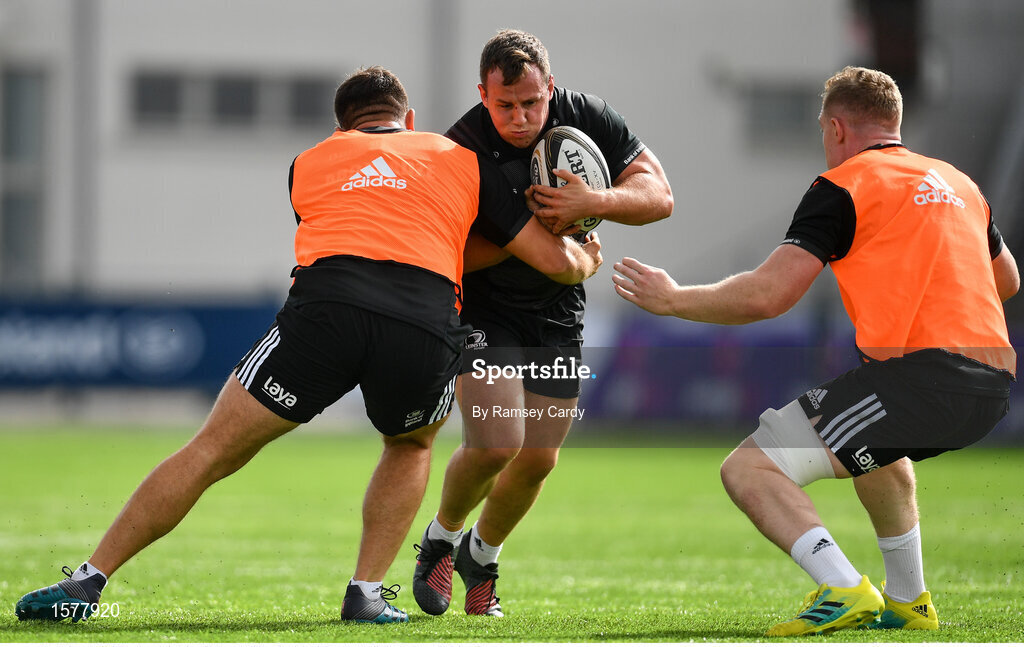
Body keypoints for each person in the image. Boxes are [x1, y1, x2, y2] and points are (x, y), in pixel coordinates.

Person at [14, 66, 601, 625]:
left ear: (341, 128)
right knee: (410, 444)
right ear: (410, 118)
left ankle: (88, 581)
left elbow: (349, 217)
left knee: (212, 449)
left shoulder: (309, 162)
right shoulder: (461, 160)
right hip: (421, 321)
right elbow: (550, 262)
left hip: (326, 311)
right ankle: (367, 593)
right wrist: (582, 256)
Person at [612, 65, 1017, 636]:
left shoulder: (845, 184)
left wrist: (676, 299)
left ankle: (843, 587)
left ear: (835, 128)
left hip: (925, 378)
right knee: (878, 458)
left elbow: (770, 295)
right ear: (894, 124)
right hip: (993, 380)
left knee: (749, 469)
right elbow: (1006, 281)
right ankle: (909, 601)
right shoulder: (959, 182)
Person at [412, 29, 672, 618]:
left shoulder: (586, 116)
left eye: (532, 102)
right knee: (497, 443)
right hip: (485, 308)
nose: (520, 117)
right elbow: (443, 251)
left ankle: (484, 555)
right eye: (504, 105)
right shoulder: (462, 149)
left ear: (550, 88)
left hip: (558, 310)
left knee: (538, 460)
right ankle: (442, 539)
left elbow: (659, 196)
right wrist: (523, 237)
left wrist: (593, 204)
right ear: (483, 95)